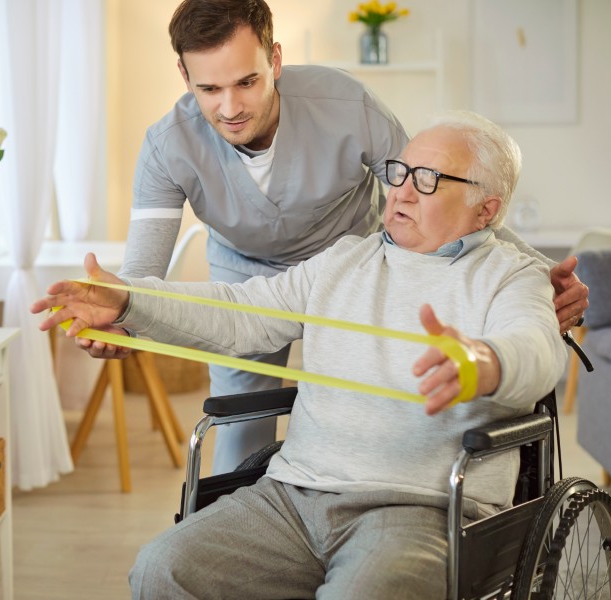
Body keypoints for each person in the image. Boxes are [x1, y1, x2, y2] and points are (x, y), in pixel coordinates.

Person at [32, 111, 568, 599]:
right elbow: (242, 311)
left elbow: (539, 349)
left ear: (486, 209)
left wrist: (485, 362)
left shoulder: (511, 276)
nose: (402, 193)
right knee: (162, 569)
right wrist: (129, 302)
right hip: (292, 496)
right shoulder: (343, 261)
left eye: (428, 181)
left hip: (419, 509)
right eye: (399, 173)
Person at [80, 0, 587, 475]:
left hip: (352, 269)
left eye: (247, 81)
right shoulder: (166, 146)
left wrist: (542, 275)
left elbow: (438, 192)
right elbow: (141, 274)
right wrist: (122, 314)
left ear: (275, 60)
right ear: (185, 76)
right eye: (209, 90)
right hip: (245, 277)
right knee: (239, 423)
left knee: (375, 413)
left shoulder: (346, 103)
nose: (230, 107)